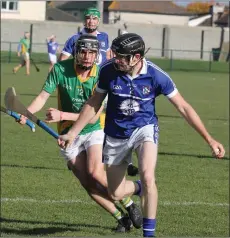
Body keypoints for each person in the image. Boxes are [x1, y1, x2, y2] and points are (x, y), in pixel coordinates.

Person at [58, 33, 226, 237]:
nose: (115, 59)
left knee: (148, 176)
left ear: (136, 57)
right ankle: (138, 188)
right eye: (115, 54)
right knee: (115, 193)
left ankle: (149, 233)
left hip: (144, 128)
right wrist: (73, 133)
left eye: (121, 56)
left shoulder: (156, 75)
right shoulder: (108, 71)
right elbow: (94, 103)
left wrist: (209, 139)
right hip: (116, 134)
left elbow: (184, 108)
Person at [17, 34, 142, 232]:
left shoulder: (101, 75)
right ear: (76, 53)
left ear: (96, 56)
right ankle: (121, 219)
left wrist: (61, 114)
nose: (86, 56)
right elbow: (42, 97)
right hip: (67, 133)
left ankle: (129, 204)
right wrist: (26, 113)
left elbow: (92, 117)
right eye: (82, 51)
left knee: (94, 172)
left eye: (91, 52)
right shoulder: (60, 69)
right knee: (87, 183)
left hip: (93, 129)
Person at [59, 6, 139, 176]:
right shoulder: (75, 39)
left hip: (105, 82)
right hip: (87, 86)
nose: (91, 21)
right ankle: (78, 155)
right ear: (84, 20)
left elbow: (108, 57)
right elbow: (62, 61)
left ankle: (127, 160)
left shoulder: (104, 37)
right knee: (91, 122)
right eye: (88, 18)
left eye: (94, 18)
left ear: (98, 21)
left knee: (117, 119)